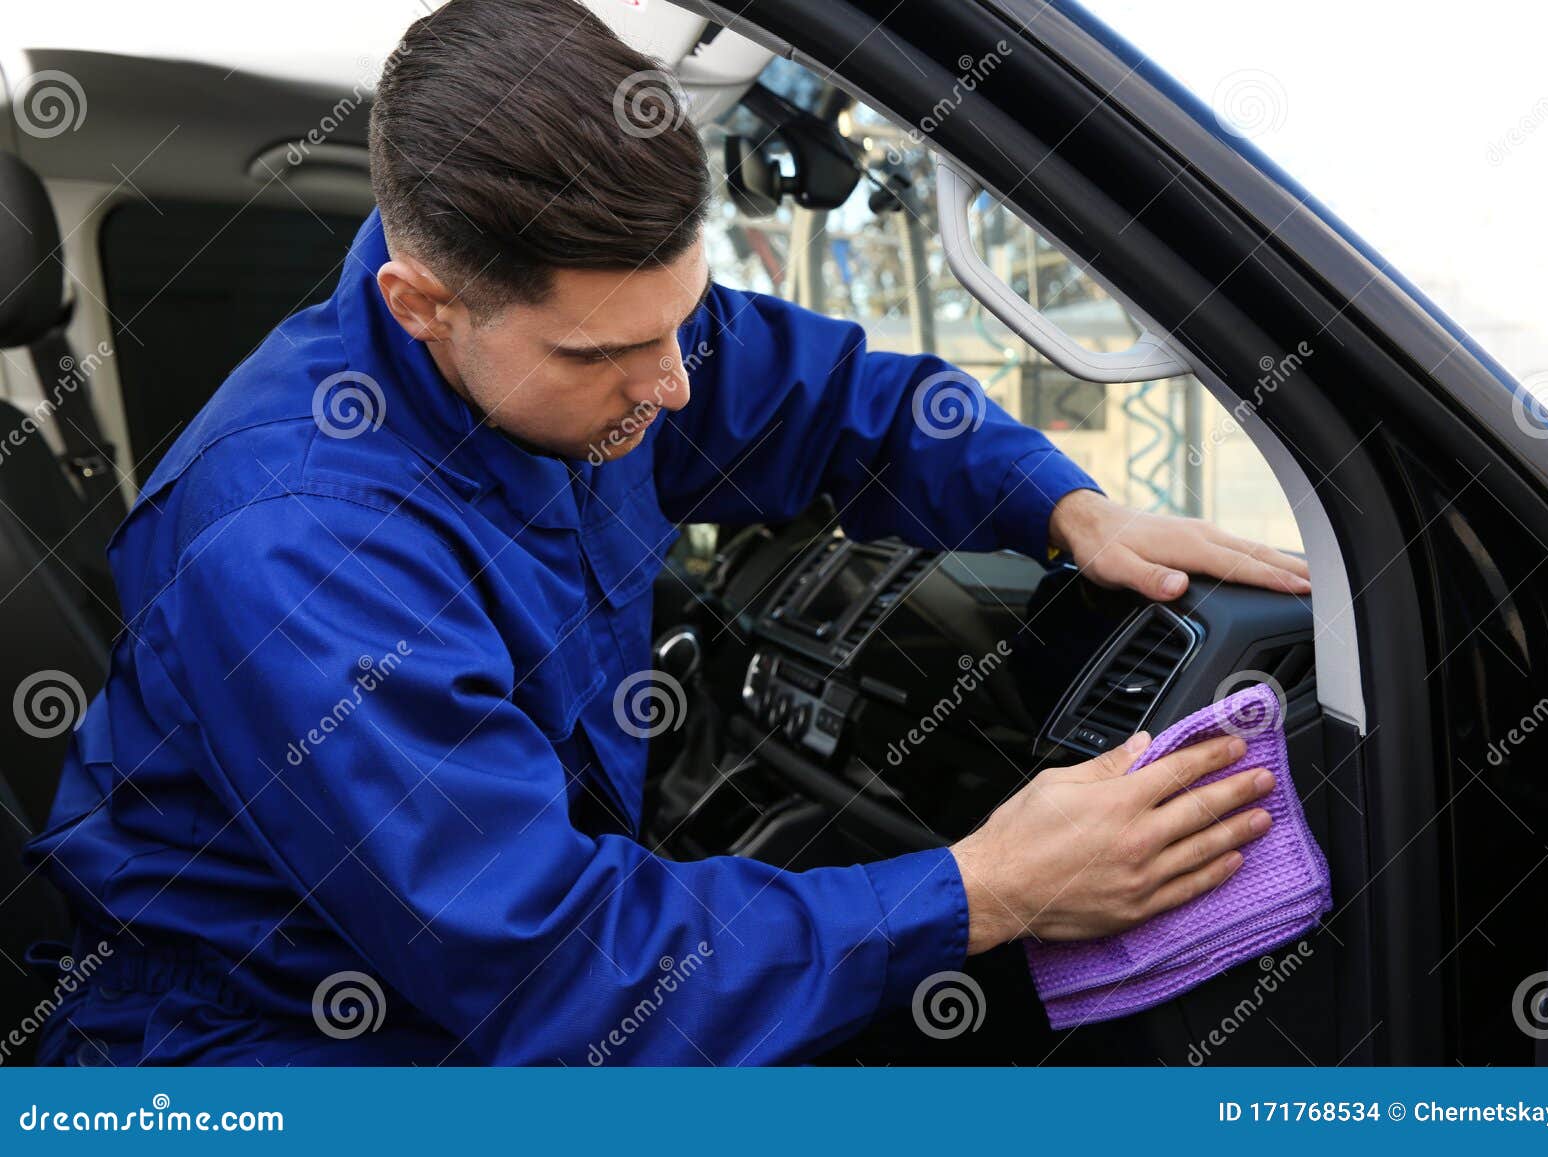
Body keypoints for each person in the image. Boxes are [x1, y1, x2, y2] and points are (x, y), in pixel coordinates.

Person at [26, 0, 1309, 1066]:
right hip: (265, 1048)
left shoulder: (579, 344)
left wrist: (1059, 501)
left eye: (677, 321)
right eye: (611, 353)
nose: (675, 386)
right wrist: (984, 886)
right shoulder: (301, 552)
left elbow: (830, 402)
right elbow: (556, 967)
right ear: (423, 304)